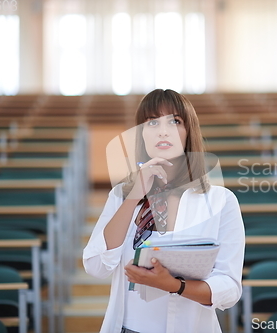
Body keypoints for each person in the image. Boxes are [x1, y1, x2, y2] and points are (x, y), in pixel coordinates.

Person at [83, 89, 245, 333]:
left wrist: (174, 285)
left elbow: (229, 288)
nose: (163, 130)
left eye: (175, 121)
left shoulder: (221, 201)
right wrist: (135, 193)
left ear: (188, 132)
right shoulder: (121, 196)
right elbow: (96, 266)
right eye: (152, 122)